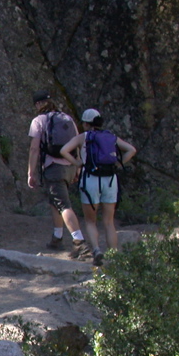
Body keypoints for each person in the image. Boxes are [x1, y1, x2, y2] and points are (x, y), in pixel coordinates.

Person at [59, 108, 138, 266]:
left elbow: (64, 150)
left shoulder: (83, 137)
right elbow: (131, 150)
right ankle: (114, 256)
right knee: (109, 221)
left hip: (90, 179)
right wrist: (118, 163)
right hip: (110, 179)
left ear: (86, 123)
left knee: (90, 221)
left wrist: (77, 163)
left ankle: (96, 250)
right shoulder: (111, 137)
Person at [27, 89, 89, 259]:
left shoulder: (39, 120)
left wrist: (30, 173)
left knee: (63, 205)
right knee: (55, 202)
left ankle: (80, 243)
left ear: (39, 104)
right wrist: (77, 168)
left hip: (53, 167)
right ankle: (57, 238)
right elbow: (77, 144)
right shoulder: (67, 119)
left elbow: (34, 148)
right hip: (69, 166)